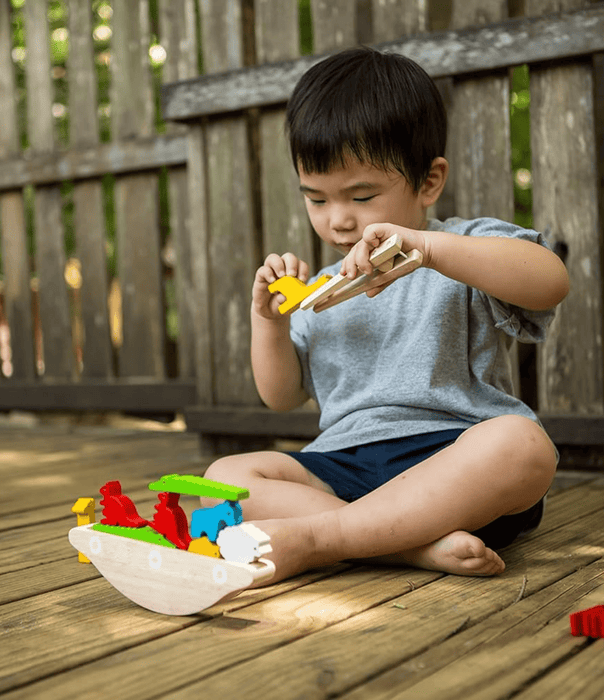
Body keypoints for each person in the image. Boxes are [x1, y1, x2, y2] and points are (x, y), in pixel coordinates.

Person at [200, 47, 569, 584]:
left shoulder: (457, 247)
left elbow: (549, 281)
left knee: (523, 444)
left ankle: (322, 539)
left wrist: (430, 247)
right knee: (225, 476)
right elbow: (280, 396)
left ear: (428, 182)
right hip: (343, 464)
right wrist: (270, 321)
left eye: (362, 195)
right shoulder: (320, 289)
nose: (340, 220)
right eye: (317, 200)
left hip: (452, 465)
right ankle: (408, 547)